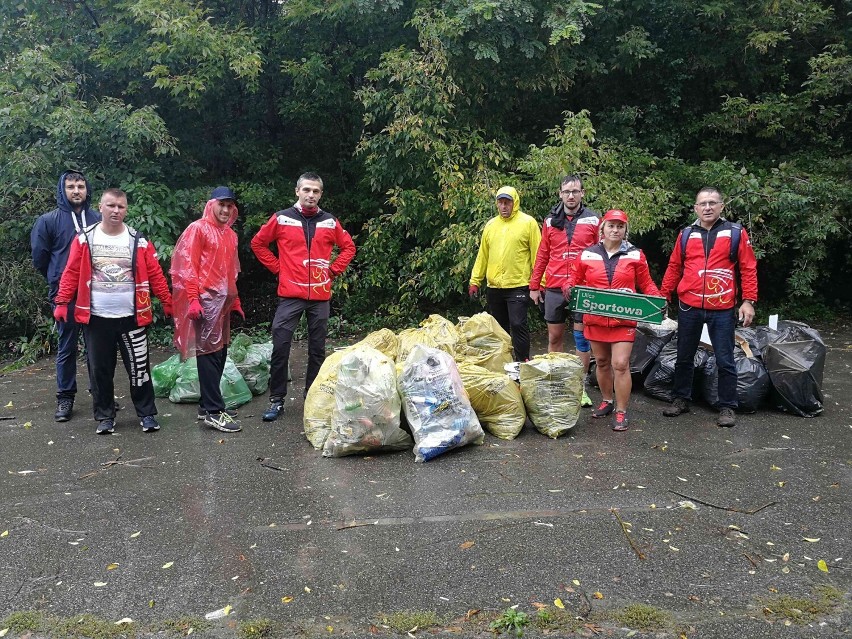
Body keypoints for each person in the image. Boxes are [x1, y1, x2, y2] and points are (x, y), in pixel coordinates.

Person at [53, 189, 172, 435]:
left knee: (140, 368)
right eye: (111, 205)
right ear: (101, 207)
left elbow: (155, 274)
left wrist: (167, 301)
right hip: (96, 318)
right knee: (100, 371)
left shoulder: (137, 239)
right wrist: (62, 302)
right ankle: (105, 416)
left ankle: (147, 414)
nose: (116, 210)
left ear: (126, 209)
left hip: (133, 317)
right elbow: (72, 272)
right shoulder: (85, 238)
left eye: (121, 206)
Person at [251, 173, 356, 422]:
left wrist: (333, 270)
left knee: (317, 350)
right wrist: (279, 269)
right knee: (280, 345)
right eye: (307, 190)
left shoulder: (330, 222)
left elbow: (349, 247)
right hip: (290, 295)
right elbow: (258, 244)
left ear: (321, 194)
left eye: (316, 191)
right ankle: (277, 401)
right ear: (297, 191)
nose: (311, 195)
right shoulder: (282, 218)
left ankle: (314, 397)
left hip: (320, 295)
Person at [659, 187, 758, 428]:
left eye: (713, 203)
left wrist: (748, 300)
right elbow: (674, 266)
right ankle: (680, 398)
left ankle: (727, 406)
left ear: (721, 206)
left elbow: (748, 267)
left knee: (725, 358)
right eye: (702, 203)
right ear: (695, 208)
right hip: (689, 305)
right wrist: (663, 296)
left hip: (722, 307)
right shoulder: (685, 234)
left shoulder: (735, 232)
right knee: (683, 356)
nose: (707, 207)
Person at [562, 209, 662, 431]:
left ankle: (621, 411)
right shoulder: (587, 254)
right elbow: (573, 278)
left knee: (620, 364)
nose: (615, 230)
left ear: (625, 230)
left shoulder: (636, 255)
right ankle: (607, 401)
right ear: (602, 229)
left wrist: (657, 300)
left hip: (623, 320)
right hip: (595, 319)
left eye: (620, 226)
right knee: (602, 362)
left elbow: (646, 284)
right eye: (611, 226)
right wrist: (567, 286)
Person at [171, 186, 244, 433]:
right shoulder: (198, 229)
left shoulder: (230, 235)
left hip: (222, 302)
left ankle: (206, 404)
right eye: (221, 204)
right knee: (208, 353)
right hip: (205, 301)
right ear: (211, 204)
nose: (225, 210)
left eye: (229, 206)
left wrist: (235, 300)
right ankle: (214, 411)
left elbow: (231, 270)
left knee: (220, 351)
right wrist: (193, 299)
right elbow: (187, 266)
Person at [31, 170, 102, 422]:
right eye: (71, 186)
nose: (76, 191)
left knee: (97, 346)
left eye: (81, 186)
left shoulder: (98, 218)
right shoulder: (48, 221)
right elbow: (40, 258)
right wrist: (57, 280)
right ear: (63, 190)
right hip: (64, 294)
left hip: (96, 292)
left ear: (87, 190)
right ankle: (65, 397)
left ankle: (101, 395)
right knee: (67, 345)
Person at [529, 175, 600, 406]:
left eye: (575, 191)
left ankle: (579, 386)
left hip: (583, 288)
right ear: (560, 193)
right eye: (567, 191)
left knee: (581, 338)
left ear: (582, 193)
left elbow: (601, 254)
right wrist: (534, 285)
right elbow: (542, 254)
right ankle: (556, 382)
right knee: (554, 336)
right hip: (554, 286)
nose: (571, 195)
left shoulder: (593, 220)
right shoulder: (550, 220)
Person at [469, 186, 541, 362]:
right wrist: (475, 281)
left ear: (514, 203)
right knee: (499, 328)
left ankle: (522, 362)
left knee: (518, 324)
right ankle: (503, 363)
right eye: (500, 202)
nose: (503, 206)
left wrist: (539, 283)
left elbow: (538, 255)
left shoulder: (528, 223)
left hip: (518, 284)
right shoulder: (491, 225)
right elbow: (483, 255)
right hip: (495, 287)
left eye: (507, 202)